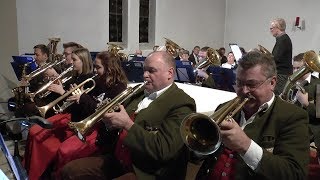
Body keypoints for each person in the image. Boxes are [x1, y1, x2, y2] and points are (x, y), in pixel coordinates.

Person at [61, 51, 197, 179]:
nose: (145, 75)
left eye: (151, 70)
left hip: (145, 171)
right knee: (69, 170)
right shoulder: (139, 93)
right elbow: (118, 122)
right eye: (144, 70)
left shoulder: (182, 103)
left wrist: (127, 124)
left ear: (170, 73)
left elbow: (163, 150)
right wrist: (110, 123)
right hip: (118, 159)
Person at [195, 50, 309, 180]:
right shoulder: (223, 107)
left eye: (251, 84)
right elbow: (199, 155)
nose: (243, 91)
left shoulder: (293, 116)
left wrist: (246, 145)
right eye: (239, 83)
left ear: (272, 83)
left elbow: (295, 174)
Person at [23, 47, 97, 180]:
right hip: (69, 116)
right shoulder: (76, 76)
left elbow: (83, 109)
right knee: (35, 131)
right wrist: (56, 81)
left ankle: (43, 173)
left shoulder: (88, 79)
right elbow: (66, 99)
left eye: (74, 59)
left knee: (43, 140)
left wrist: (62, 92)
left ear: (83, 61)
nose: (71, 62)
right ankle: (31, 170)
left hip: (77, 122)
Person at [292, 53, 320, 163]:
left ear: (308, 69)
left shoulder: (318, 84)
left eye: (299, 68)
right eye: (294, 68)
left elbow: (319, 113)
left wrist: (306, 103)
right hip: (294, 123)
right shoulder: (292, 82)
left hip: (311, 126)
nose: (295, 71)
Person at [270, 18, 293, 95]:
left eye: (272, 28)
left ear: (278, 28)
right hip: (282, 74)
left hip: (282, 75)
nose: (270, 30)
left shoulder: (283, 40)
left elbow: (275, 58)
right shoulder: (282, 39)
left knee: (276, 96)